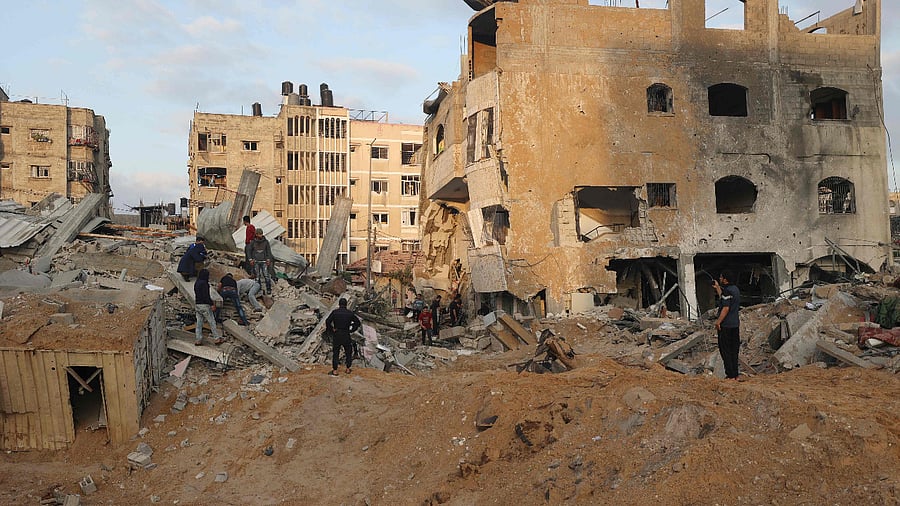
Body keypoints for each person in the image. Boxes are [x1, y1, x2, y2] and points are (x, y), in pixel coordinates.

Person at [713, 270, 741, 380]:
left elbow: (725, 308)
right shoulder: (735, 290)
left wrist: (718, 322)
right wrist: (718, 289)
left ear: (725, 279)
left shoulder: (727, 292)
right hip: (735, 325)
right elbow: (726, 300)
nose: (720, 279)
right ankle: (736, 374)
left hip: (726, 326)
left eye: (721, 277)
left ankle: (730, 375)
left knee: (726, 351)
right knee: (734, 351)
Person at [325, 298, 361, 376]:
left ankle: (335, 370)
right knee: (348, 351)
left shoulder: (335, 312)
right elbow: (357, 323)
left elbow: (327, 321)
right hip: (346, 333)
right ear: (346, 304)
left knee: (336, 352)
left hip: (337, 334)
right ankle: (348, 369)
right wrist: (352, 329)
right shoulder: (350, 313)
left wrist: (331, 330)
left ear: (339, 304)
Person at [193, 268, 223, 345]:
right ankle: (216, 338)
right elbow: (206, 296)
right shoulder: (205, 284)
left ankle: (198, 339)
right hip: (205, 305)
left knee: (199, 323)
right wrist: (212, 304)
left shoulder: (197, 283)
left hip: (197, 304)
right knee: (212, 322)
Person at [245, 228, 275, 294]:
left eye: (261, 234)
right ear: (256, 234)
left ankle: (268, 289)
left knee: (266, 275)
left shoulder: (266, 242)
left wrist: (268, 259)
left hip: (264, 261)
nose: (260, 235)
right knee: (257, 276)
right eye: (259, 234)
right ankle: (258, 289)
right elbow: (249, 251)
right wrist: (250, 259)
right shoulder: (253, 242)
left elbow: (268, 251)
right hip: (256, 261)